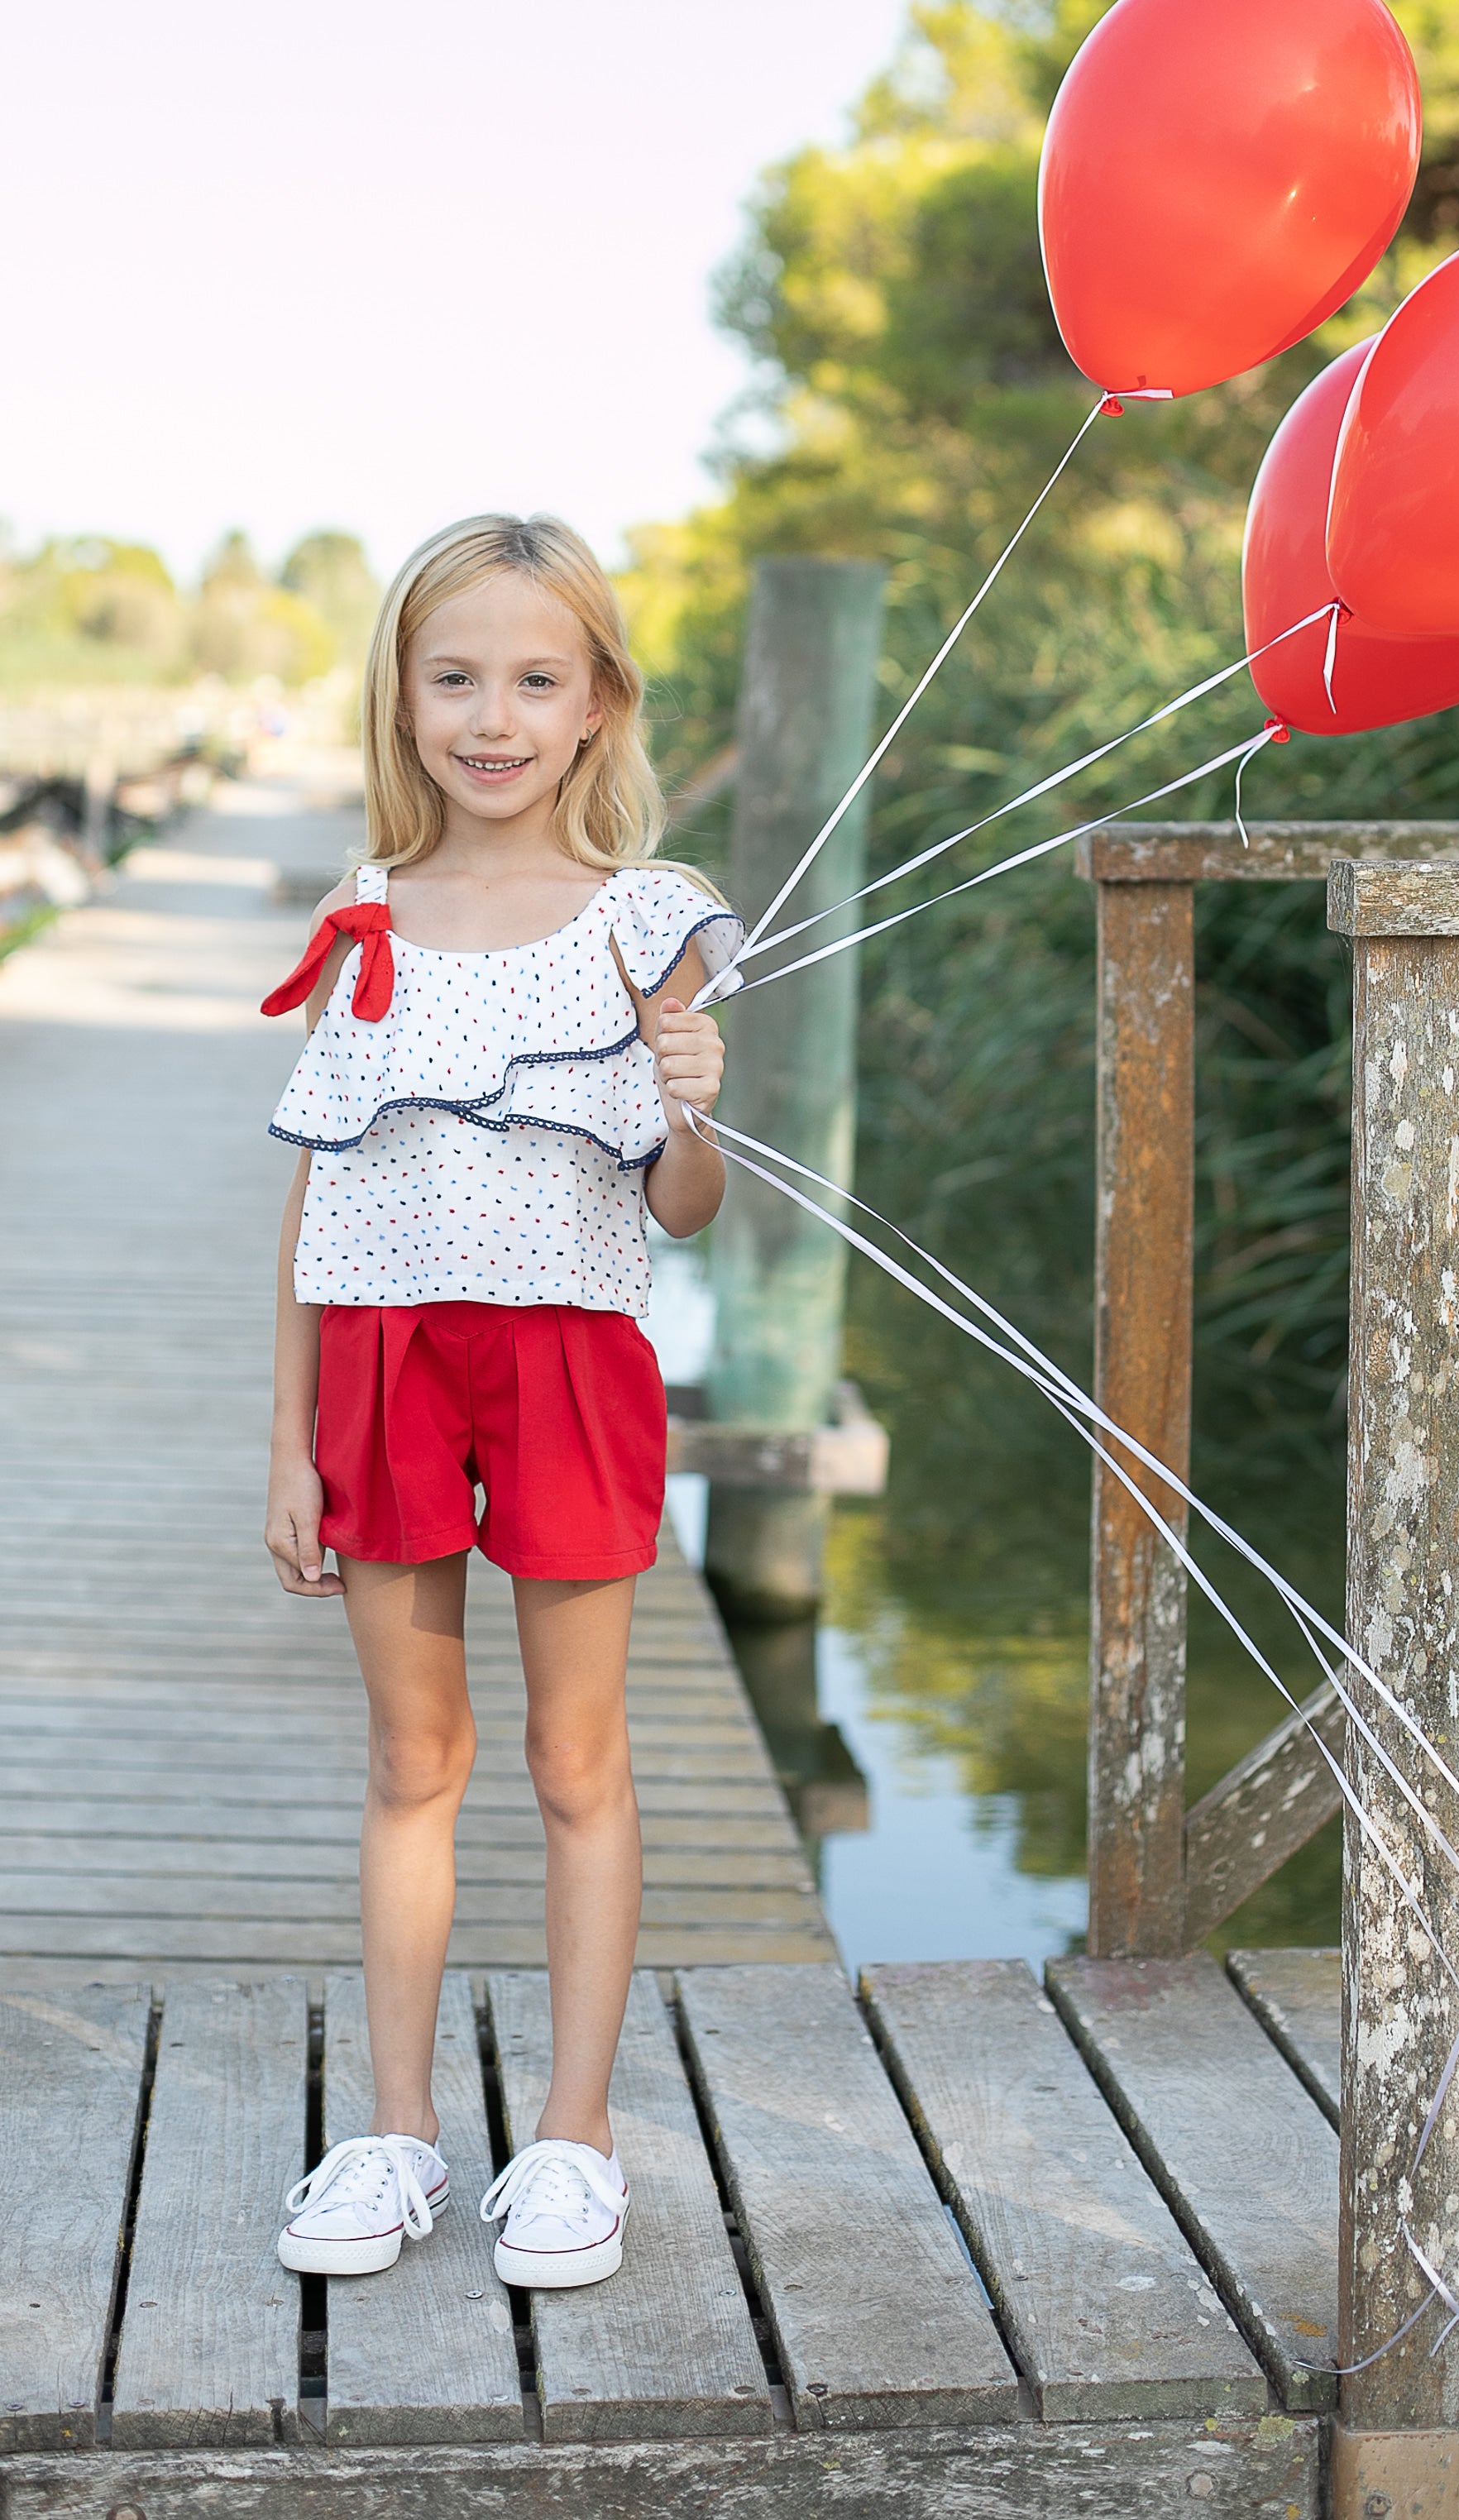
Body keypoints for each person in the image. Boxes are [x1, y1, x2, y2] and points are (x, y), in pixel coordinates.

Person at [260, 513, 735, 2290]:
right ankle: (395, 2138)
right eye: (454, 675)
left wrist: (689, 1095)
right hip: (381, 1355)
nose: (492, 715)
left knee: (574, 1756)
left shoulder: (648, 926)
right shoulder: (361, 916)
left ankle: (576, 2139)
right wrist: (287, 1440)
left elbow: (683, 1209)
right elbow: (316, 1189)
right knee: (411, 1759)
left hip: (568, 1352)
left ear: (600, 703)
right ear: (403, 692)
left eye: (536, 679)